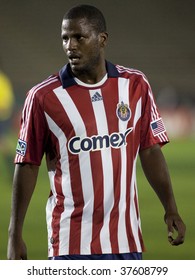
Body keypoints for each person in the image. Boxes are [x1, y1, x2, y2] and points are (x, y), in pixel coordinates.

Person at [7, 4, 186, 260]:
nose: (70, 45)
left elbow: (150, 149)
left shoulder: (135, 86)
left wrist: (170, 207)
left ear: (102, 40)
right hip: (71, 243)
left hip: (126, 240)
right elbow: (27, 165)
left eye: (79, 37)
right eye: (65, 38)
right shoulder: (43, 97)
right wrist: (15, 234)